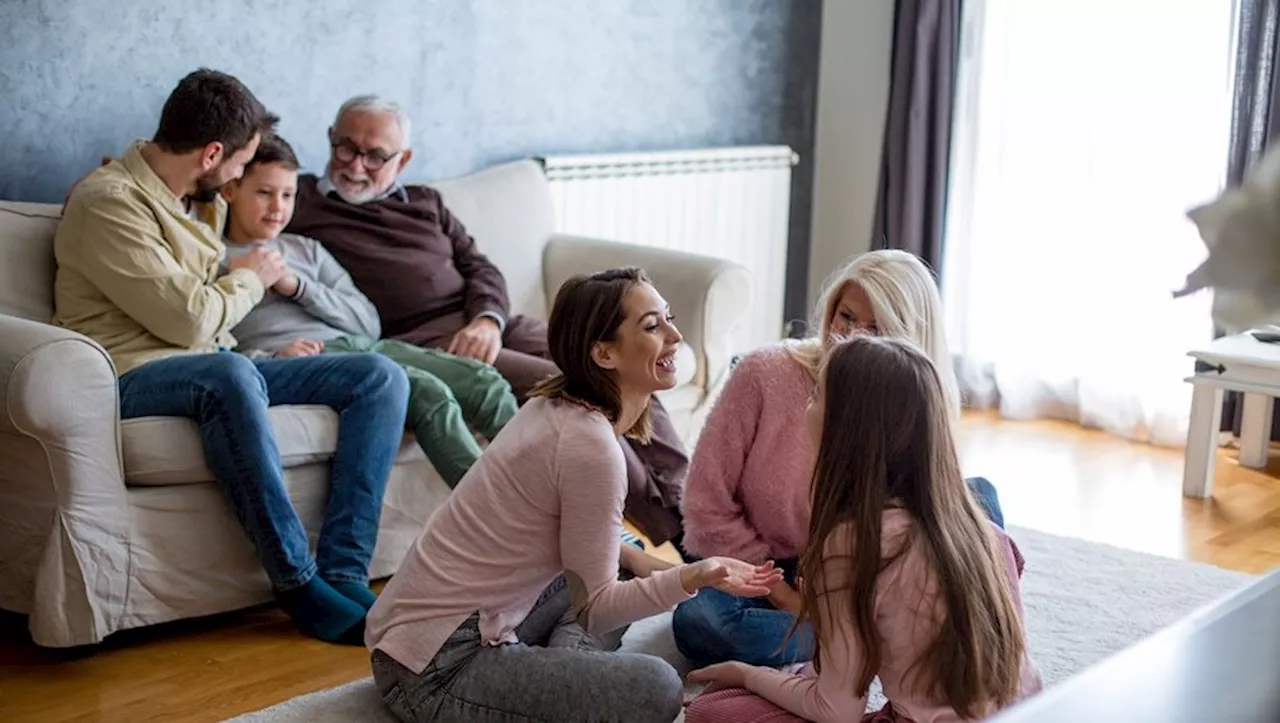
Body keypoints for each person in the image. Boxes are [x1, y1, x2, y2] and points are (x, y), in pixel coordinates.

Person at [52, 68, 410, 644]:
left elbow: (206, 309)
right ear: (212, 154)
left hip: (214, 363)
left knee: (378, 376)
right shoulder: (110, 204)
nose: (243, 177)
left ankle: (345, 571)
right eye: (242, 166)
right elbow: (189, 317)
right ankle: (297, 581)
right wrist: (250, 276)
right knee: (230, 370)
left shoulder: (194, 197)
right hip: (130, 374)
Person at [364, 267, 783, 723]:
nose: (675, 335)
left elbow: (578, 564)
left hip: (423, 632)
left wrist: (636, 560)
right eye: (652, 326)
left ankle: (569, 673)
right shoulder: (592, 449)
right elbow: (598, 611)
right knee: (658, 686)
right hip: (434, 669)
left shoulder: (551, 404)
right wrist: (694, 576)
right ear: (604, 353)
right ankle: (571, 675)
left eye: (668, 318)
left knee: (616, 565)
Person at [285, 95, 689, 546]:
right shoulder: (298, 201)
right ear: (330, 140)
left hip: (493, 323)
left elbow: (482, 268)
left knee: (636, 366)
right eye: (346, 148)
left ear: (403, 160)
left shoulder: (426, 202)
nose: (357, 165)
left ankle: (692, 510)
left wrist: (488, 320)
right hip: (428, 343)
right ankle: (677, 536)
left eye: (376, 155)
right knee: (590, 389)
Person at [683, 335, 1043, 723]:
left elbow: (837, 711)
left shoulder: (854, 543)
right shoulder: (983, 529)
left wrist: (747, 674)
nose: (806, 406)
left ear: (846, 426)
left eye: (816, 394)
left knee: (711, 710)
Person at [673, 249, 1006, 668]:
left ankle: (858, 636)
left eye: (875, 328)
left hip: (862, 569)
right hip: (768, 565)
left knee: (979, 502)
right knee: (701, 622)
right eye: (845, 317)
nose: (850, 339)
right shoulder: (764, 374)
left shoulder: (916, 397)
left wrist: (849, 594)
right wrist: (786, 595)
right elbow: (705, 501)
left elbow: (917, 523)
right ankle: (886, 640)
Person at [220, 133, 517, 488]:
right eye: (264, 193)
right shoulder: (214, 258)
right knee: (428, 392)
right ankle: (497, 515)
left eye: (287, 195)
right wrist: (269, 356)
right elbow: (208, 343)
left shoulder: (306, 249)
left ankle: (538, 492)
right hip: (311, 359)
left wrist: (298, 287)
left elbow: (367, 322)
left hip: (361, 345)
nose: (278, 208)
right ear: (230, 190)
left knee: (484, 382)